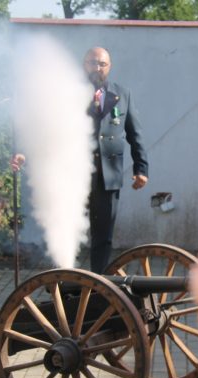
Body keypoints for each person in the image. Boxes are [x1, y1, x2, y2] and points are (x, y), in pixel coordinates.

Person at [11, 46, 149, 274]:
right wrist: (23, 152)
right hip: (71, 174)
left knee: (103, 236)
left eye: (102, 64)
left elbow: (135, 134)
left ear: (109, 67)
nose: (97, 68)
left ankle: (99, 284)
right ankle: (61, 280)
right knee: (63, 229)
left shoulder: (123, 94)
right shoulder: (66, 92)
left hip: (108, 176)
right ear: (84, 64)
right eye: (92, 62)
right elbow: (43, 126)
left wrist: (141, 168)